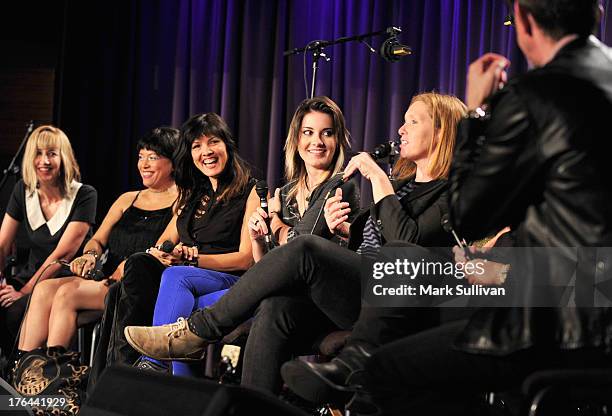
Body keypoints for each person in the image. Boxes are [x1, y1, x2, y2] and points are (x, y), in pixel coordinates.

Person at [342, 2, 612, 415]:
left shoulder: (536, 95)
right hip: (591, 294)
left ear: (523, 20)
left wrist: (478, 113)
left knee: (385, 370)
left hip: (561, 314)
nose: (402, 129)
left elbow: (469, 215)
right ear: (596, 13)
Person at [123, 92, 465, 391]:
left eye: (412, 122)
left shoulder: (452, 191)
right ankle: (253, 408)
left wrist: (376, 176)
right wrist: (346, 230)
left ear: (441, 131)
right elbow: (374, 238)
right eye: (403, 121)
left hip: (391, 301)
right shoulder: (401, 186)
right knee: (276, 310)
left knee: (304, 250)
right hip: (354, 292)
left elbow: (406, 241)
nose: (401, 129)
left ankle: (199, 331)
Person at [133, 97, 360, 378]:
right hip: (279, 292)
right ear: (296, 140)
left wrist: (275, 224)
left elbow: (302, 246)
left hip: (319, 301)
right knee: (181, 301)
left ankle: (157, 367)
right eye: (308, 132)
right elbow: (266, 265)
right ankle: (180, 390)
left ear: (337, 140)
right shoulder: (285, 193)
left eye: (327, 133)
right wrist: (258, 238)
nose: (317, 141)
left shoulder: (340, 186)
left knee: (187, 303)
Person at [88, 113, 259, 388]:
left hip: (231, 279)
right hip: (189, 279)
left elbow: (247, 258)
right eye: (196, 146)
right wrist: (161, 252)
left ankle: (153, 365)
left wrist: (194, 259)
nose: (206, 152)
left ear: (227, 145)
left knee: (177, 278)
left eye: (213, 142)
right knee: (149, 273)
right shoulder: (193, 193)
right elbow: (165, 241)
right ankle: (170, 391)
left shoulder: (250, 190)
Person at [16, 127, 179, 354]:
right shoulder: (128, 199)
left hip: (134, 284)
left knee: (66, 294)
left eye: (153, 158)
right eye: (141, 157)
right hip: (104, 278)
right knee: (43, 289)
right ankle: (24, 368)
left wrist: (123, 269)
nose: (144, 164)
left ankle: (54, 372)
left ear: (173, 162)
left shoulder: (182, 202)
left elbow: (158, 249)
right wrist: (89, 256)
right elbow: (97, 240)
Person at [0, 125, 97, 362]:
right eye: (38, 153)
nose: (44, 161)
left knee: (15, 312)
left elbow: (62, 255)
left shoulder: (85, 195)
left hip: (65, 280)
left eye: (52, 153)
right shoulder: (22, 190)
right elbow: (2, 245)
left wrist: (22, 292)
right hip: (30, 274)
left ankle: (27, 377)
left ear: (63, 157)